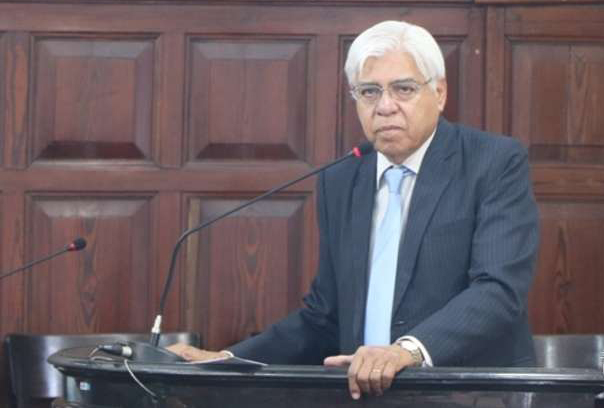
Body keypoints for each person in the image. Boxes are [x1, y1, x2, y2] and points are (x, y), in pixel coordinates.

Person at [168, 20, 539, 400]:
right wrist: (228, 360)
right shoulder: (342, 179)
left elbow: (498, 290)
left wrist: (406, 351)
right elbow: (324, 317)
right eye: (369, 92)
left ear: (439, 93)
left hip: (466, 394)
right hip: (363, 394)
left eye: (404, 89)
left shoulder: (492, 162)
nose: (385, 107)